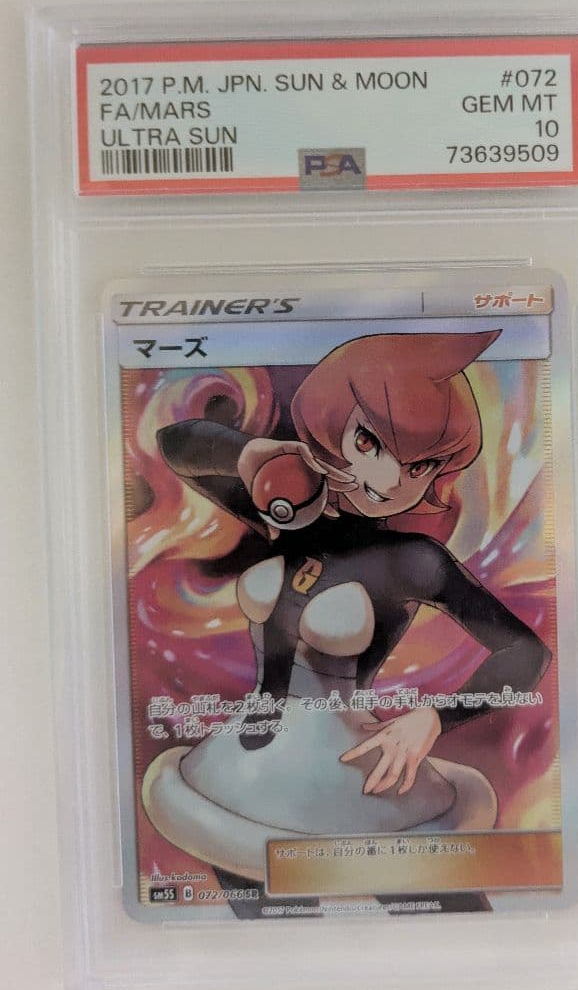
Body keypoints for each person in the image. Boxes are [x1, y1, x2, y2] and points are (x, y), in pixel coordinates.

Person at [141, 331, 551, 915]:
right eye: (369, 442)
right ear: (330, 424)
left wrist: (435, 717)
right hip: (239, 773)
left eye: (421, 464)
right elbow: (177, 445)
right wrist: (251, 455)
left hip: (348, 772)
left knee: (447, 918)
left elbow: (525, 652)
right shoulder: (284, 517)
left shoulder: (413, 562)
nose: (391, 479)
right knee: (267, 936)